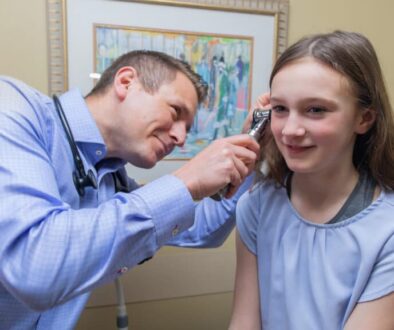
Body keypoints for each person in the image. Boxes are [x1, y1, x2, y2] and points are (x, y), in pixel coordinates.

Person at [0, 50, 261, 329]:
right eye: (175, 112)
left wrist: (249, 151)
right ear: (126, 82)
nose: (181, 137)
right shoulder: (12, 108)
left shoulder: (110, 179)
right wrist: (186, 181)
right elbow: (33, 266)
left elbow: (201, 230)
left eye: (186, 127)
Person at [229, 31, 394, 329]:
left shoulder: (387, 231)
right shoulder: (256, 206)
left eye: (316, 110)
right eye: (280, 108)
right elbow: (244, 322)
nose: (290, 130)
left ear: (364, 118)